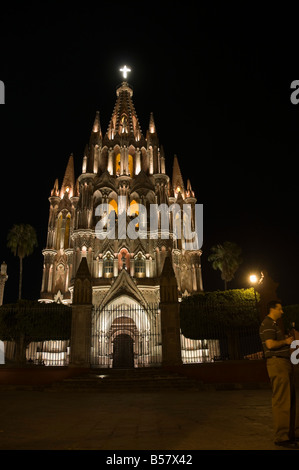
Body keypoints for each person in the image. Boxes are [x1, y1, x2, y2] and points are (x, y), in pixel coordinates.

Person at [259, 300, 298, 449]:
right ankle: (282, 437)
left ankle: (291, 434)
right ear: (272, 309)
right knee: (282, 400)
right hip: (277, 364)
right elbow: (270, 344)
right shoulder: (267, 323)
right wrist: (286, 341)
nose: (282, 312)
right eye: (280, 309)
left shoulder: (273, 325)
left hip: (283, 363)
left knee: (290, 399)